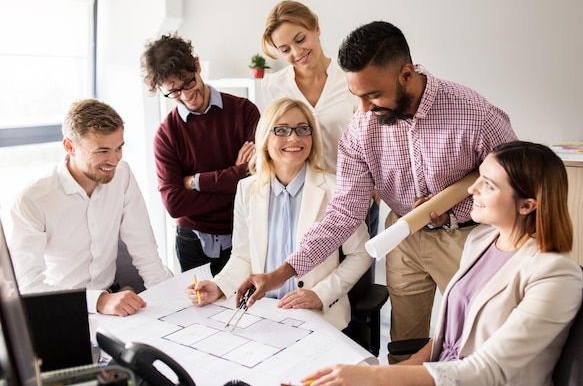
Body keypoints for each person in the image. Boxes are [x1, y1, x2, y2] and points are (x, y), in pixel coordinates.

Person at [236, 21, 518, 362]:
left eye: (372, 95)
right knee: (404, 345)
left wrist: (460, 203)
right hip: (403, 235)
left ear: (406, 74)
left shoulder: (473, 113)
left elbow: (516, 180)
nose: (365, 109)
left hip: (467, 236)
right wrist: (281, 273)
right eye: (357, 96)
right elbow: (343, 213)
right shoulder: (361, 128)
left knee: (484, 335)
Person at [301, 141, 583, 386]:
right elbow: (446, 339)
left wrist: (374, 379)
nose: (471, 189)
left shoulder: (554, 274)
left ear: (527, 205)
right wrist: (392, 373)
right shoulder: (482, 240)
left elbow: (490, 370)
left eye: (488, 184)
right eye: (479, 178)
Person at [186, 98, 372, 330]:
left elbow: (362, 254)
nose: (294, 138)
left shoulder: (335, 189)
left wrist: (319, 294)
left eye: (303, 129)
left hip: (317, 316)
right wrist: (219, 286)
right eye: (281, 130)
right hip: (262, 315)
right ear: (265, 139)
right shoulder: (247, 189)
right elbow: (243, 257)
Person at [9, 99, 173, 317]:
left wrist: (170, 299)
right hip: (61, 307)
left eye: (119, 148)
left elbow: (143, 246)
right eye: (102, 151)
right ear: (69, 147)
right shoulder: (32, 201)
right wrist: (99, 301)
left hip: (113, 301)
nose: (114, 160)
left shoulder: (122, 175)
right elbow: (26, 285)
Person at [141, 33, 261, 275]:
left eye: (188, 82)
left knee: (246, 308)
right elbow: (174, 204)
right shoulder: (166, 135)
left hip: (243, 232)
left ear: (196, 65)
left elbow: (257, 176)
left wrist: (196, 182)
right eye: (174, 92)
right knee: (197, 310)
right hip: (192, 242)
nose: (186, 96)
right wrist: (234, 179)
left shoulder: (244, 111)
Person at [260, 0, 380, 238]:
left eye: (300, 39)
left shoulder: (350, 78)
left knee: (357, 270)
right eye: (285, 50)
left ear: (316, 28)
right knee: (305, 273)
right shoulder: (274, 86)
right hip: (302, 202)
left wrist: (376, 185)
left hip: (354, 198)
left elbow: (374, 138)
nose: (296, 53)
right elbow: (275, 143)